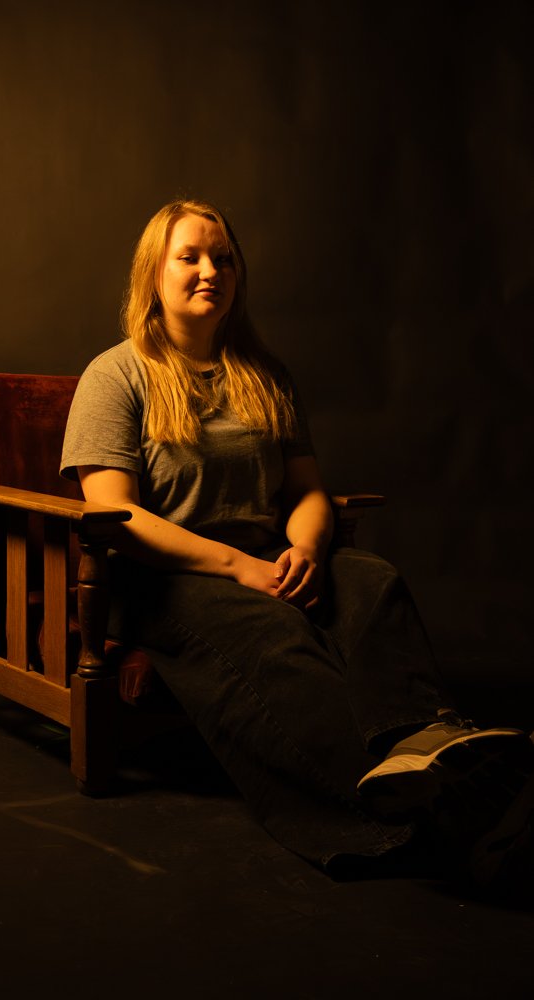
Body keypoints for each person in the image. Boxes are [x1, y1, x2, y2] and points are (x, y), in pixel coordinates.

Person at [61, 198, 534, 886]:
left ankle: (423, 742)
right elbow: (114, 513)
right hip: (168, 579)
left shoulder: (263, 374)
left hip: (269, 559)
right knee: (271, 635)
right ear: (152, 274)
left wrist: (307, 553)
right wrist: (239, 568)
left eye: (222, 258)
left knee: (370, 578)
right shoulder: (117, 375)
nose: (208, 271)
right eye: (188, 256)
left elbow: (309, 493)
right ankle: (400, 813)